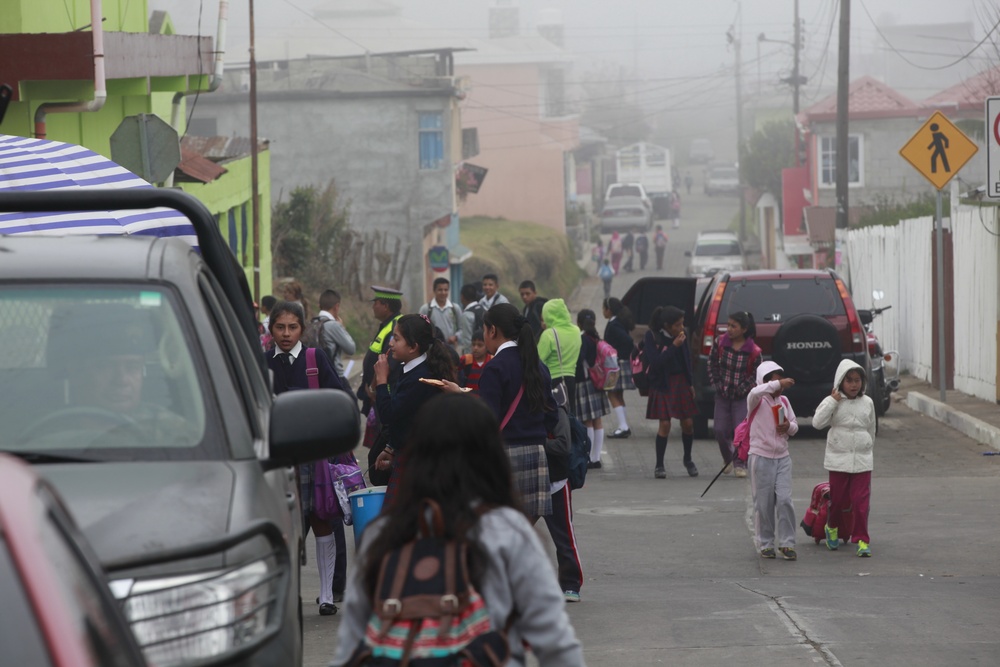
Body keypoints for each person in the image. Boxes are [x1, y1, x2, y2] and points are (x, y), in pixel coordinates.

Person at [331, 394, 584, 667]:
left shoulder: (381, 534)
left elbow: (351, 648)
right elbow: (557, 646)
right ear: (491, 455)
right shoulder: (508, 532)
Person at [267, 300, 351, 616]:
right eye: (280, 327)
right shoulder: (263, 365)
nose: (286, 334)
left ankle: (327, 595)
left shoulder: (315, 359)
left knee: (322, 521)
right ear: (271, 329)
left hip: (316, 458)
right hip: (279, 460)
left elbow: (339, 398)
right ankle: (288, 595)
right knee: (287, 527)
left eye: (292, 327)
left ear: (302, 328)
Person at [477, 304, 559, 520]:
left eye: (484, 330)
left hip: (504, 458)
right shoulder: (538, 366)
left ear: (492, 330)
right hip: (537, 455)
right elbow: (552, 414)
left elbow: (487, 423)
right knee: (521, 531)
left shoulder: (494, 369)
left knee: (501, 532)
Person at [373, 314, 457, 501]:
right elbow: (406, 419)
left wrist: (381, 381)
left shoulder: (418, 379)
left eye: (396, 338)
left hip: (420, 462)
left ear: (413, 347)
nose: (390, 344)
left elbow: (389, 415)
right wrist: (391, 448)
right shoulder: (414, 370)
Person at [812, 359, 876, 557]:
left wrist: (867, 447)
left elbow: (871, 429)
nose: (854, 385)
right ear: (840, 381)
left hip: (862, 461)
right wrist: (833, 401)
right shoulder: (833, 401)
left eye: (857, 380)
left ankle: (862, 540)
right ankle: (832, 527)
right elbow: (817, 422)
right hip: (838, 461)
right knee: (838, 501)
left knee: (860, 502)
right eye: (849, 381)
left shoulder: (868, 403)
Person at [747, 361, 799, 561]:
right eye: (775, 381)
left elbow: (794, 424)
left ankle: (787, 543)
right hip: (760, 457)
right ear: (765, 381)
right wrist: (778, 383)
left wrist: (788, 427)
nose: (780, 387)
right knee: (763, 503)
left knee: (785, 499)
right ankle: (766, 543)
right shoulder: (755, 400)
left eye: (781, 380)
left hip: (783, 458)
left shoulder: (784, 402)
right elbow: (756, 391)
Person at [644, 306, 698, 479]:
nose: (681, 328)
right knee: (665, 425)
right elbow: (657, 363)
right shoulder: (652, 336)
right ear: (667, 325)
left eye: (682, 324)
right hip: (662, 383)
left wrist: (690, 383)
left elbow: (686, 359)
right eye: (677, 325)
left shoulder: (682, 336)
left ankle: (688, 459)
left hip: (681, 381)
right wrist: (673, 346)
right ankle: (659, 464)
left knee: (688, 422)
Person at [707, 311, 761, 478]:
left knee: (740, 431)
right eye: (728, 325)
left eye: (733, 326)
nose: (729, 329)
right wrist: (717, 385)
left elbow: (755, 376)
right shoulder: (720, 343)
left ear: (744, 329)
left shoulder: (753, 351)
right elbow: (712, 364)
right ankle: (727, 458)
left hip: (741, 397)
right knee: (720, 430)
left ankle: (740, 463)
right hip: (722, 395)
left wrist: (743, 389)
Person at [356, 286, 403, 417]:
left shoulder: (395, 327)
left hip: (383, 393)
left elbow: (387, 363)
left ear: (385, 306)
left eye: (375, 303)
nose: (373, 307)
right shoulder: (388, 325)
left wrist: (372, 389)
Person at [574, 309, 611, 469]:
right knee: (598, 421)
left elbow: (579, 360)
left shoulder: (581, 339)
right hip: (597, 382)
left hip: (584, 383)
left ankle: (588, 457)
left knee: (587, 421)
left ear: (579, 323)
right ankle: (596, 458)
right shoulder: (596, 338)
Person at [536, 298, 581, 411]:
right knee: (571, 414)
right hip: (571, 379)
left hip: (553, 381)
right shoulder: (576, 330)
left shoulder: (549, 334)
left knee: (556, 416)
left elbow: (537, 359)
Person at [603, 297, 636, 439]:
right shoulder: (617, 322)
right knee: (618, 394)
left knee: (611, 393)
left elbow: (628, 341)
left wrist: (617, 354)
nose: (602, 311)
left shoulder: (614, 325)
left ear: (609, 310)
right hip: (620, 363)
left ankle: (623, 426)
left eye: (603, 308)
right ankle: (624, 425)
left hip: (616, 364)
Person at [316, 289, 357, 381]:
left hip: (316, 374)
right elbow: (351, 349)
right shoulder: (333, 325)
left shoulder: (313, 323)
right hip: (335, 375)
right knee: (349, 396)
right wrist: (341, 327)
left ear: (320, 306)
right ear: (336, 306)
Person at [419, 277, 463, 351]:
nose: (443, 293)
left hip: (450, 348)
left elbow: (462, 328)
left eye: (445, 290)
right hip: (432, 349)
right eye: (440, 290)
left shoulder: (455, 308)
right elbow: (420, 328)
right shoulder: (426, 309)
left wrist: (456, 337)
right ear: (434, 290)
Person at [459, 329, 493, 394]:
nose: (475, 348)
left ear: (487, 346)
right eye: (473, 345)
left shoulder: (492, 360)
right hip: (468, 399)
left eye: (480, 345)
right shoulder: (465, 360)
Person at [458, 282, 484, 354]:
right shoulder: (482, 309)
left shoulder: (467, 314)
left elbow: (467, 341)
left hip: (474, 355)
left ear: (462, 297)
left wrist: (468, 358)